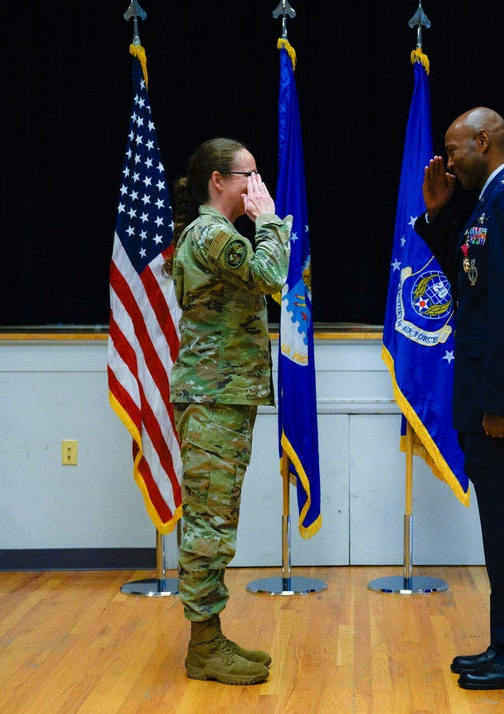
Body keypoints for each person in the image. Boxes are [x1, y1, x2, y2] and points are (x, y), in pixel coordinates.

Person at [415, 107, 504, 690]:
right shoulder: (488, 202)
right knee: (502, 532)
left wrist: (499, 401)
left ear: (485, 139)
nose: (448, 160)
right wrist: (438, 214)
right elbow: (470, 278)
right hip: (490, 397)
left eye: (454, 149)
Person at [169, 137, 291, 685]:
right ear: (219, 181)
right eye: (250, 175)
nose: (256, 187)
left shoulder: (214, 235)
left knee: (215, 520)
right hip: (213, 399)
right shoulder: (212, 233)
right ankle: (203, 646)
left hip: (222, 396)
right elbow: (271, 277)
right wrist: (271, 221)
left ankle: (210, 634)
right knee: (208, 524)